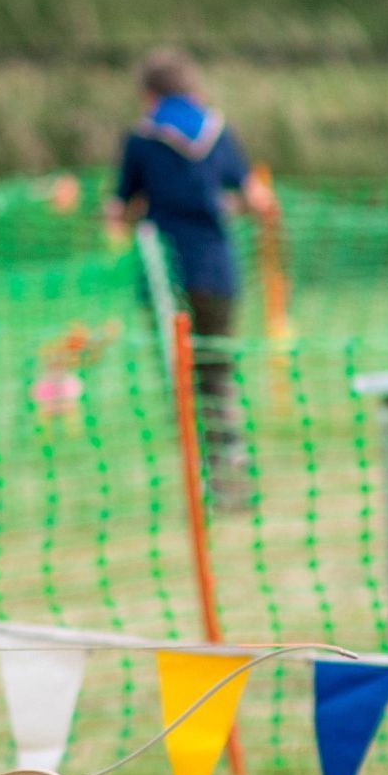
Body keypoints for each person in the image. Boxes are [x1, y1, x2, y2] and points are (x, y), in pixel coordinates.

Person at [104, 48, 275, 498]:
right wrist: (222, 206)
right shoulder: (219, 133)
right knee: (217, 370)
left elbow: (117, 211)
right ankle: (231, 463)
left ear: (148, 94)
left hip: (166, 274)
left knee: (179, 373)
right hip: (217, 268)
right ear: (192, 87)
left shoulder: (141, 140)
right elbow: (258, 201)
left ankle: (201, 471)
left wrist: (141, 210)